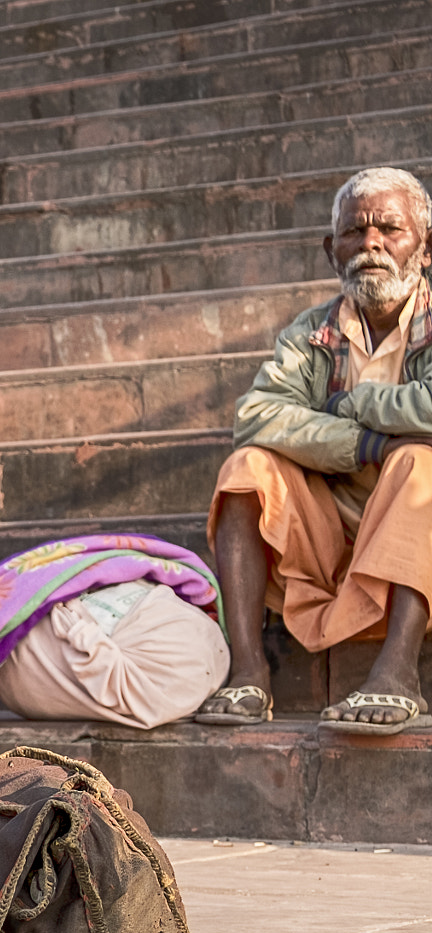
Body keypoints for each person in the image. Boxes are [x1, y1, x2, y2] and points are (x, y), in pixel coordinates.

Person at [200, 166, 432, 734]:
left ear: (425, 247)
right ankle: (249, 669)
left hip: (419, 532)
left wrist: (356, 403)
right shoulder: (311, 333)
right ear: (333, 251)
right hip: (331, 532)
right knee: (246, 469)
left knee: (419, 461)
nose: (371, 243)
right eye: (355, 232)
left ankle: (398, 670)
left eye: (389, 229)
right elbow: (255, 416)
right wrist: (366, 443)